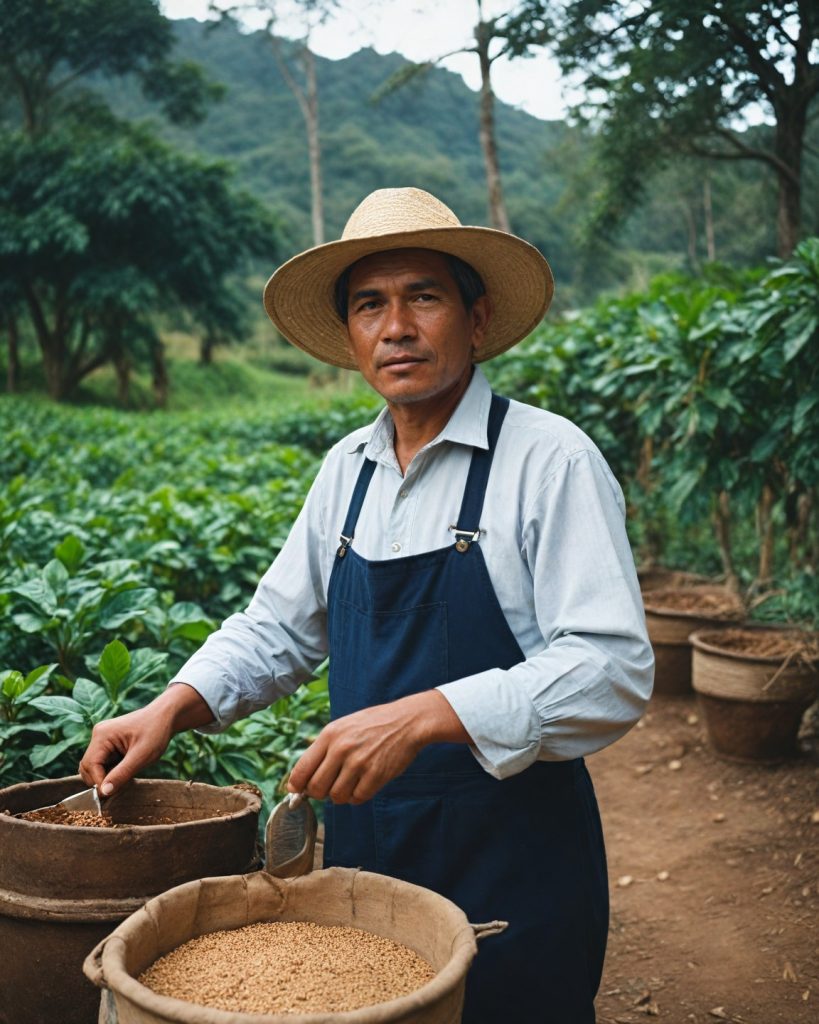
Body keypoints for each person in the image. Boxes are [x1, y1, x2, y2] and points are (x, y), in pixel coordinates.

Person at [80, 187, 653, 1023]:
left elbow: (612, 668)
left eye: (423, 296)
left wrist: (424, 714)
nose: (396, 327)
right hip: (373, 854)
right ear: (349, 335)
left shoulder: (549, 461)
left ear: (477, 316)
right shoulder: (344, 470)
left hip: (511, 851)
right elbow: (278, 625)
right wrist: (173, 704)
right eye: (369, 305)